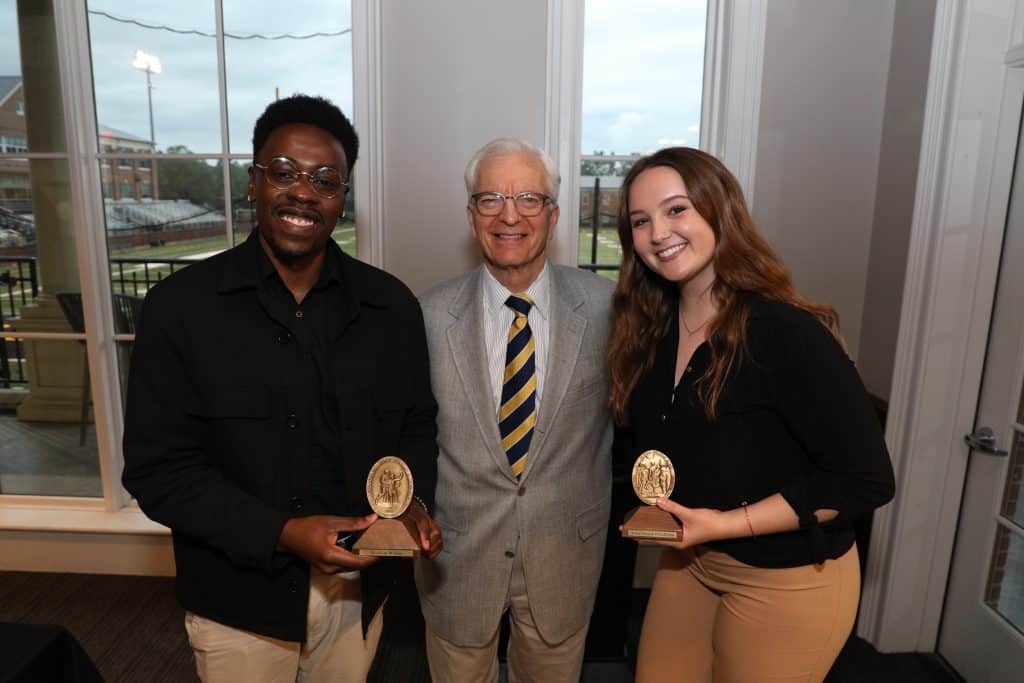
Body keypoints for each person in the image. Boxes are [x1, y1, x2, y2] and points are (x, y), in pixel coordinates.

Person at [122, 94, 441, 683]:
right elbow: (156, 471)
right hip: (238, 601)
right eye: (284, 173)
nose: (302, 192)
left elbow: (417, 424)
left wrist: (414, 503)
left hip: (357, 592)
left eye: (325, 179)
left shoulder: (390, 306)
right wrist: (283, 533)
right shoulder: (180, 308)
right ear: (253, 183)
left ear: (343, 197)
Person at [608, 147, 895, 682]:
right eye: (640, 221)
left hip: (789, 575)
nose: (657, 233)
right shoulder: (647, 331)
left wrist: (725, 522)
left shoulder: (785, 333)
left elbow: (865, 480)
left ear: (720, 211)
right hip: (691, 561)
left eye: (676, 210)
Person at [414, 138, 614, 682]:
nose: (509, 215)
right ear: (471, 214)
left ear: (552, 215)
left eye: (528, 198)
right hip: (457, 558)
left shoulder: (608, 309)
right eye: (490, 199)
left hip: (565, 554)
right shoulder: (426, 316)